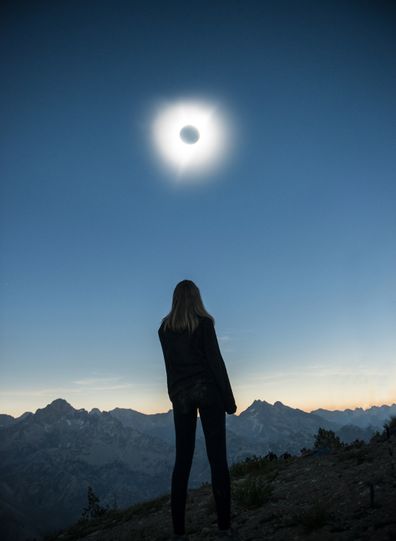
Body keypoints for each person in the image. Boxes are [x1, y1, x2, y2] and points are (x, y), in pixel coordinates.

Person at [158, 280, 240, 541]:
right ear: (196, 298)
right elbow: (216, 362)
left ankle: (179, 532)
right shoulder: (204, 324)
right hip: (208, 393)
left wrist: (174, 396)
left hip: (181, 397)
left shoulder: (164, 329)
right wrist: (229, 401)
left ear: (175, 300)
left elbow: (169, 367)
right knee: (218, 459)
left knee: (182, 461)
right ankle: (224, 528)